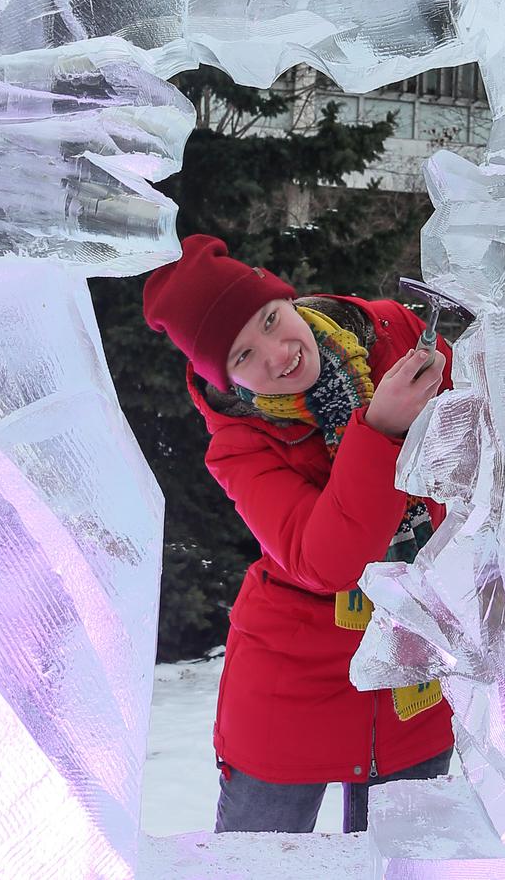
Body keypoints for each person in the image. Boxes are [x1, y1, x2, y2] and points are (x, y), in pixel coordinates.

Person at [142, 234, 456, 834]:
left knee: (408, 866)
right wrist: (381, 430)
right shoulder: (239, 445)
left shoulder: (389, 333)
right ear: (227, 380)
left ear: (286, 296)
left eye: (270, 318)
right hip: (291, 688)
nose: (277, 352)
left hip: (409, 674)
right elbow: (327, 560)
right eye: (242, 357)